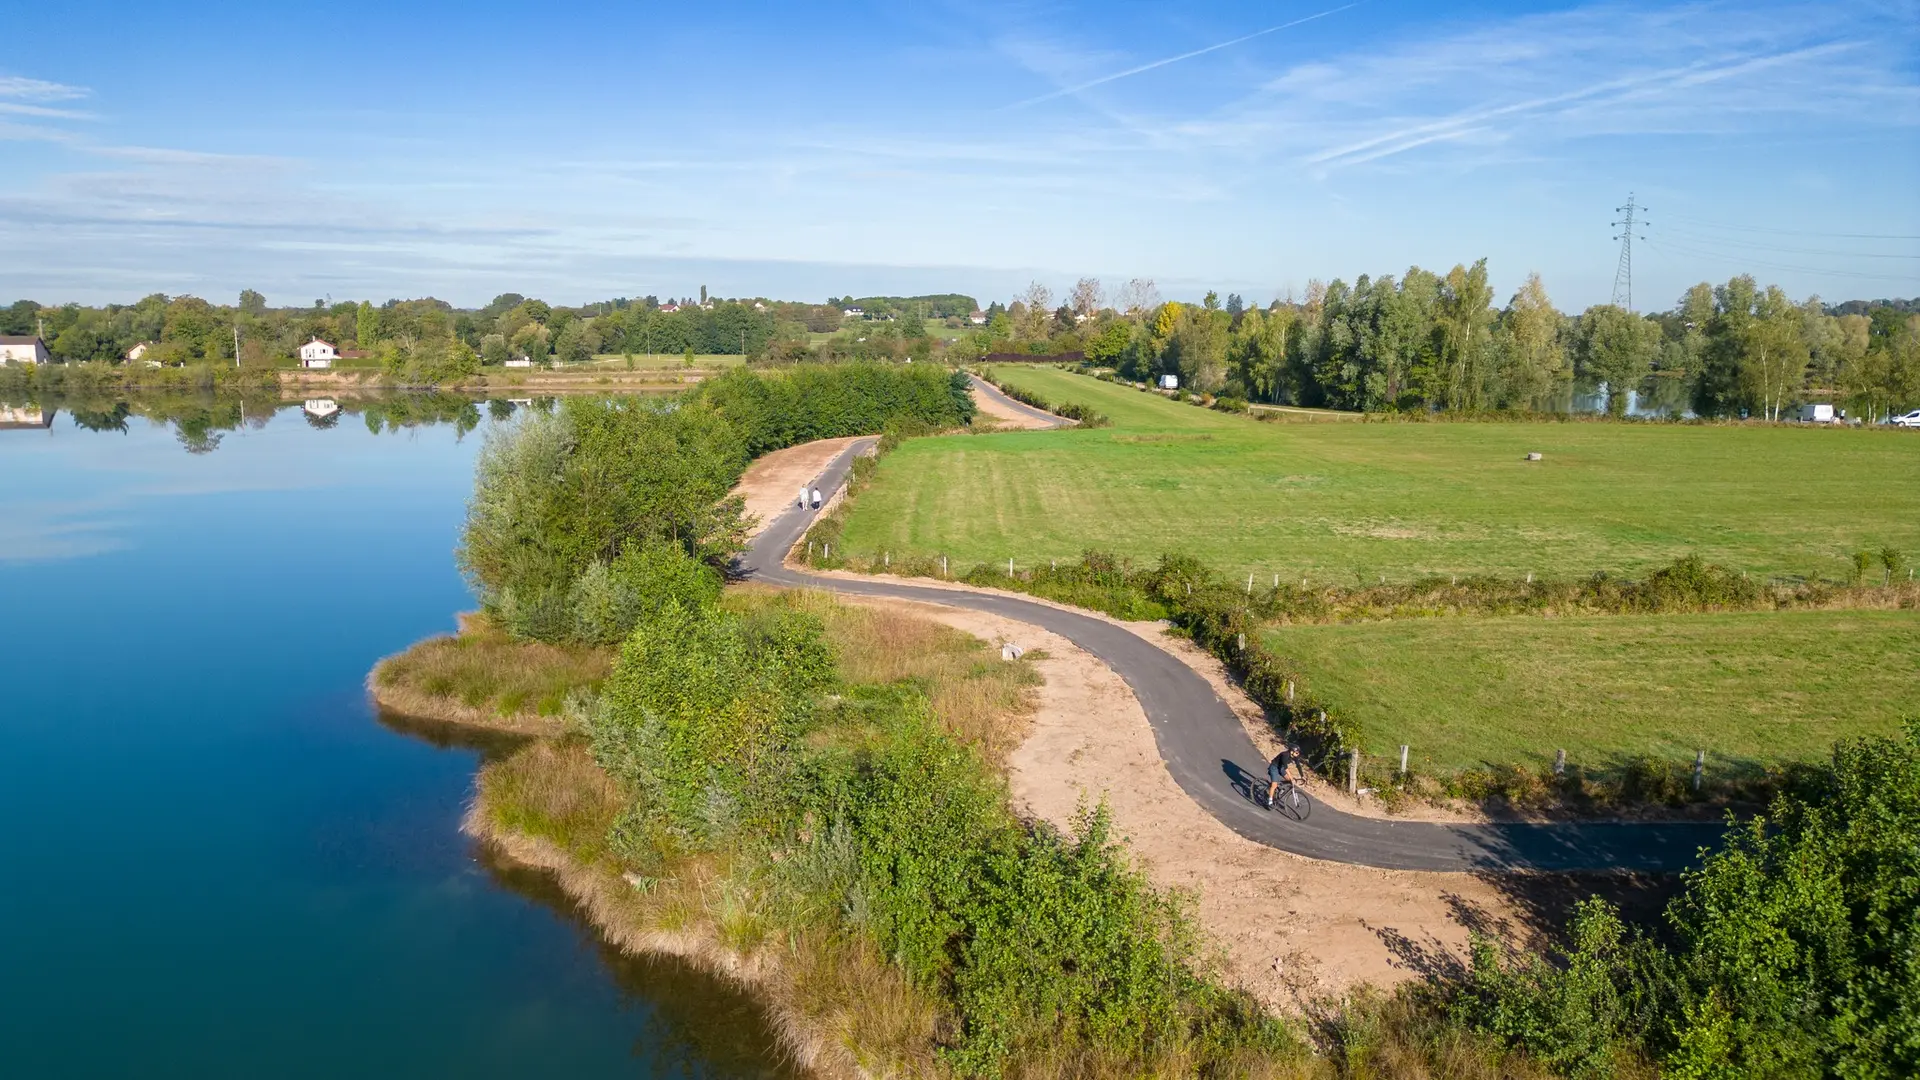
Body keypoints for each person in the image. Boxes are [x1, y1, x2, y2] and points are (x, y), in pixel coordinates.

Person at [1265, 743, 1303, 809]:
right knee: (1274, 785)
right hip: (1274, 767)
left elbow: (1298, 766)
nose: (1298, 754)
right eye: (1296, 752)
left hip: (1281, 768)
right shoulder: (1284, 755)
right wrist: (1291, 777)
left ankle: (1280, 788)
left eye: (1298, 753)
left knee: (1290, 781)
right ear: (1291, 751)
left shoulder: (1294, 756)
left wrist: (1302, 776)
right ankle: (1270, 801)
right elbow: (1286, 768)